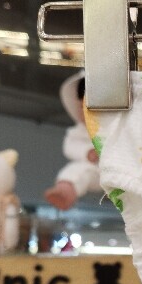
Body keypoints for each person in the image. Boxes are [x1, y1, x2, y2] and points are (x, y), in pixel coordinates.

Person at [44, 71, 100, 210]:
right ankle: (65, 191)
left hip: (123, 169)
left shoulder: (116, 128)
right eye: (81, 107)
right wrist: (86, 152)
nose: (85, 112)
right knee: (77, 170)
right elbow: (70, 146)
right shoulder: (79, 131)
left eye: (91, 108)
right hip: (97, 170)